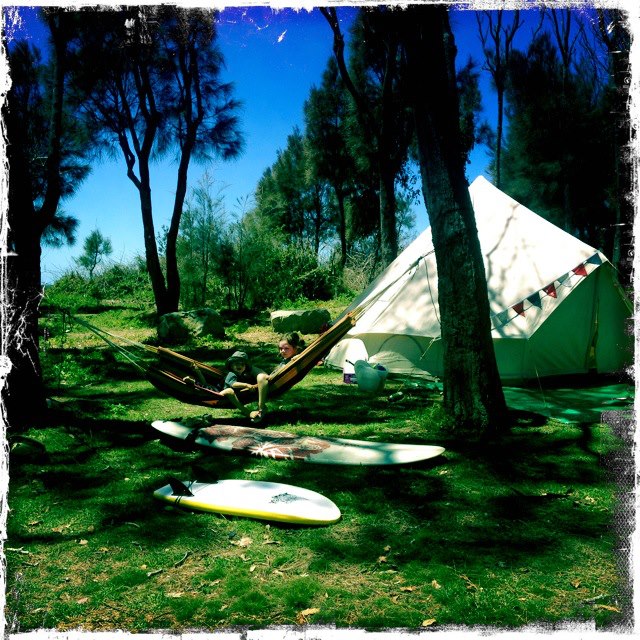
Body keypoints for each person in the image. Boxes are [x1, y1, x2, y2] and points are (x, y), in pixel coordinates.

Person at [248, 332, 306, 423]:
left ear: (296, 349)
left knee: (260, 376)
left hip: (272, 382)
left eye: (286, 348)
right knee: (250, 368)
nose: (282, 351)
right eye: (280, 348)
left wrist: (298, 357)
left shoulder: (295, 359)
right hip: (271, 378)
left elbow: (302, 356)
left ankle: (261, 408)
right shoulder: (287, 358)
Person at [219, 351, 268, 421]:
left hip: (237, 395)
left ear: (246, 367)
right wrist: (246, 385)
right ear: (231, 366)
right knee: (229, 391)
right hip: (223, 396)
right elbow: (233, 384)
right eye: (236, 364)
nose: (239, 366)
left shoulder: (243, 375)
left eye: (242, 364)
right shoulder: (231, 374)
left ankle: (261, 409)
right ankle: (246, 412)